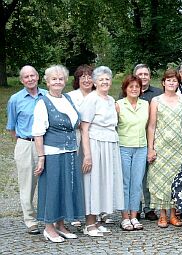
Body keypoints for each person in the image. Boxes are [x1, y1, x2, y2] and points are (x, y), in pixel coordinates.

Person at [32, 65, 84, 242]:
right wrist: (41, 158)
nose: (57, 81)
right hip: (52, 153)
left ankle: (61, 224)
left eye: (61, 78)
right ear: (46, 82)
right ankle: (48, 226)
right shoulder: (42, 102)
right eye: (53, 79)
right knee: (52, 189)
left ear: (65, 81)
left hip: (70, 151)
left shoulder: (68, 98)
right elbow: (38, 133)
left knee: (66, 187)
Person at [80, 66, 124, 237]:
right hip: (95, 144)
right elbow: (84, 128)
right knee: (93, 182)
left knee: (105, 182)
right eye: (101, 79)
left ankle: (98, 220)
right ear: (95, 82)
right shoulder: (91, 99)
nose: (105, 82)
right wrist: (88, 155)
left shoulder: (111, 99)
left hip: (110, 143)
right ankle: (89, 223)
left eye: (107, 79)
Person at [147, 69, 182, 228]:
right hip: (161, 146)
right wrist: (150, 148)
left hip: (178, 147)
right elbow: (151, 126)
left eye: (174, 81)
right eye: (169, 80)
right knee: (161, 180)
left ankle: (174, 214)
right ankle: (162, 215)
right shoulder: (156, 101)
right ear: (163, 82)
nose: (172, 83)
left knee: (176, 180)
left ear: (178, 83)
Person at [6, 65, 47, 235]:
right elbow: (12, 127)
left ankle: (49, 218)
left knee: (47, 183)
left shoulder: (47, 95)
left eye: (32, 75)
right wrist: (25, 140)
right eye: (26, 77)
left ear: (38, 77)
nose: (30, 79)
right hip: (26, 144)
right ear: (22, 80)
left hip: (46, 143)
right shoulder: (15, 99)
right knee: (27, 185)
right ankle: (30, 221)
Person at [116, 75, 149, 231]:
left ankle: (134, 216)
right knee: (125, 183)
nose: (134, 89)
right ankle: (124, 217)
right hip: (123, 147)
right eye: (131, 87)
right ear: (125, 89)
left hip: (141, 147)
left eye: (137, 87)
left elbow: (149, 127)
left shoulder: (146, 104)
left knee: (136, 184)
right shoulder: (118, 105)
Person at [132, 64, 162, 221]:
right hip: (133, 139)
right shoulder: (129, 91)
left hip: (153, 140)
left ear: (150, 76)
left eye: (146, 74)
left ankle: (149, 208)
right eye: (140, 74)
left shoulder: (157, 93)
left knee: (149, 178)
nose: (143, 77)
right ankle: (135, 208)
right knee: (136, 176)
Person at [67, 64, 94, 228]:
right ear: (77, 80)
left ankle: (95, 211)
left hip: (95, 140)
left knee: (93, 177)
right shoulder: (70, 97)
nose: (86, 79)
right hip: (76, 140)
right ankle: (76, 212)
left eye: (89, 76)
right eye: (82, 76)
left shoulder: (98, 95)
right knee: (76, 176)